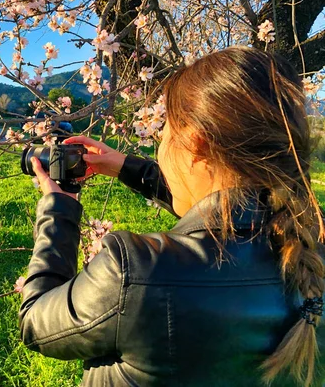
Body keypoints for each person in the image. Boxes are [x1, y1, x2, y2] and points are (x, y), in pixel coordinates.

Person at [18, 46, 325, 387]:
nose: (160, 146)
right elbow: (225, 199)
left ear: (196, 143)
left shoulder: (135, 272)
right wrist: (125, 168)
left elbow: (36, 320)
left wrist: (58, 210)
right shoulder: (310, 245)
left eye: (163, 133)